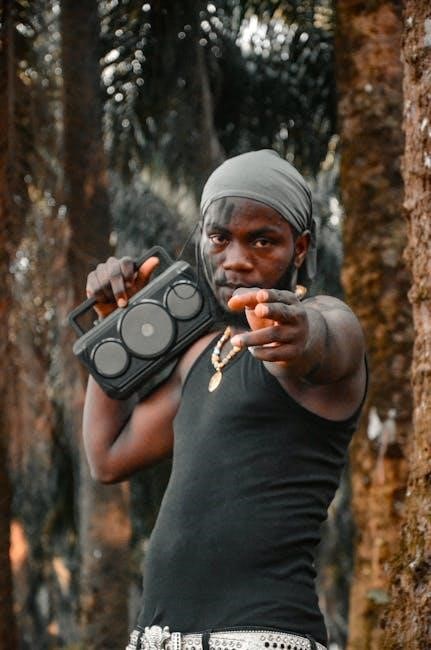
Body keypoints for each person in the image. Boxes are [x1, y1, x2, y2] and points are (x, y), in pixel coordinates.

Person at [84, 150, 367, 650]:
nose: (236, 259)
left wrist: (303, 333)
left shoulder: (316, 322)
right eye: (220, 238)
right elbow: (106, 457)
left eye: (263, 240)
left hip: (264, 635)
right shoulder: (201, 355)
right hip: (160, 639)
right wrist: (113, 329)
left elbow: (331, 339)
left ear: (299, 248)